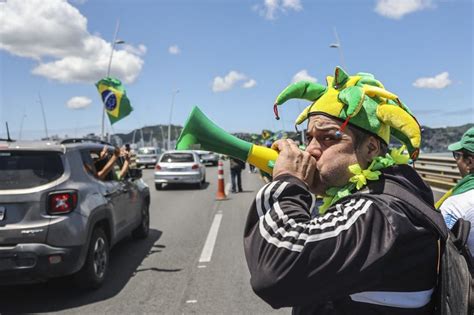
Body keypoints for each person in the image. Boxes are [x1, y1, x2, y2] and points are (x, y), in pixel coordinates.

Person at [244, 67, 441, 314]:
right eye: (309, 138)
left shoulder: (380, 213)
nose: (311, 150)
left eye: (328, 138)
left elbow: (274, 271)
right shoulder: (385, 193)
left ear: (371, 148)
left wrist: (287, 182)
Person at [437, 127, 474, 255]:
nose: (456, 160)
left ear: (469, 162)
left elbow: (438, 249)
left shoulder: (455, 205)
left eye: (457, 155)